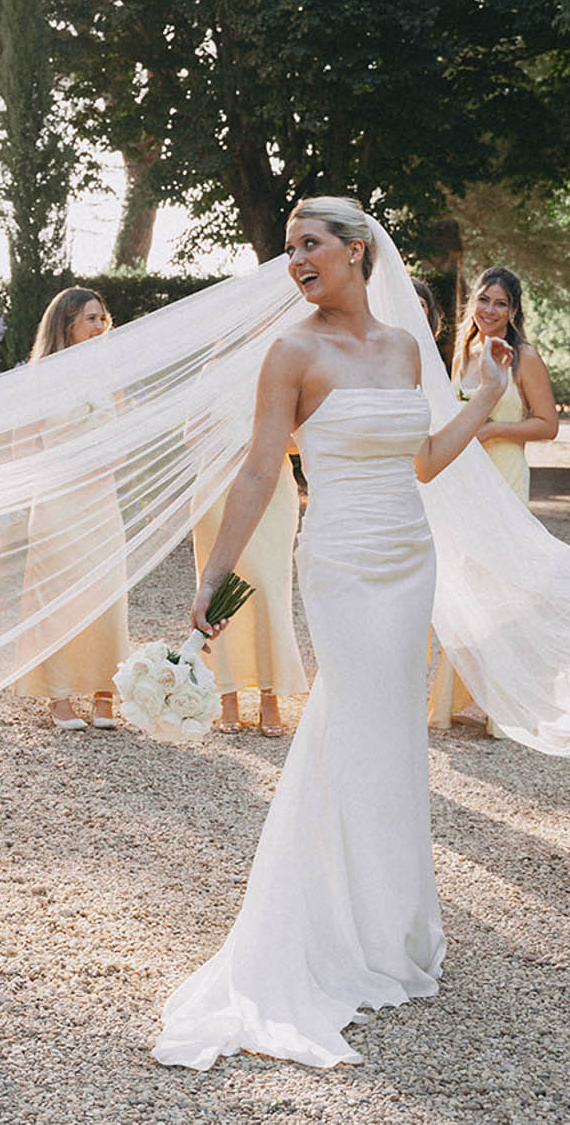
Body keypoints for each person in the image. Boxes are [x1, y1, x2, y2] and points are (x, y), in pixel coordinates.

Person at [155, 196, 513, 1070]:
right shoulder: (291, 352)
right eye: (289, 250)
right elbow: (255, 468)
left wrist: (490, 395)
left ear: (359, 253)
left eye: (311, 244)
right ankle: (315, 930)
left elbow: (423, 460)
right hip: (344, 558)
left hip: (407, 553)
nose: (297, 261)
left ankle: (389, 925)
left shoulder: (400, 347)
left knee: (393, 733)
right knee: (351, 718)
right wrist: (215, 576)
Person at [425, 267, 557, 735]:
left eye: (500, 304)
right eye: (484, 301)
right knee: (462, 582)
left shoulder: (523, 357)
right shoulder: (464, 353)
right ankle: (471, 691)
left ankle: (497, 699)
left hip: (502, 475)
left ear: (514, 311)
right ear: (471, 304)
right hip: (462, 481)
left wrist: (493, 428)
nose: (490, 311)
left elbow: (547, 424)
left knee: (496, 584)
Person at [15, 287, 128, 730]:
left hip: (101, 501)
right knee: (57, 593)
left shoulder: (110, 376)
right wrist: (65, 469)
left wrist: (103, 462)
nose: (101, 326)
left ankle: (105, 692)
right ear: (67, 326)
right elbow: (23, 446)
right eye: (91, 319)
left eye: (103, 318)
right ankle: (58, 695)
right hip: (57, 503)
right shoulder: (41, 379)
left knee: (107, 594)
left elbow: (122, 438)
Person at [189, 450, 305, 736]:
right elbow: (193, 434)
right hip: (217, 483)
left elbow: (295, 441)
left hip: (271, 486)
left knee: (268, 588)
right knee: (219, 588)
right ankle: (227, 693)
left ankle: (270, 694)